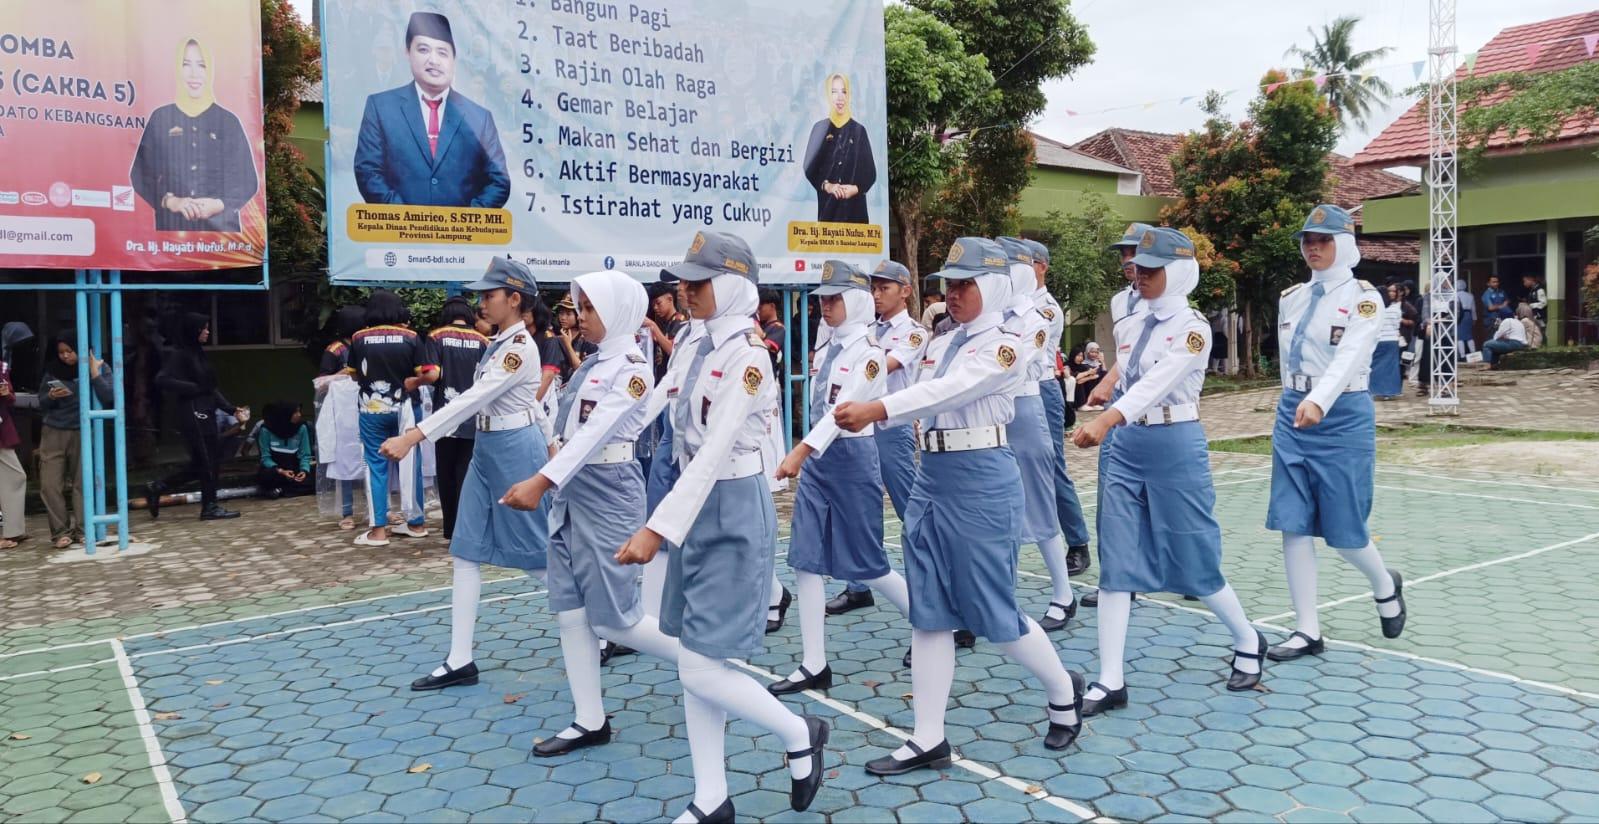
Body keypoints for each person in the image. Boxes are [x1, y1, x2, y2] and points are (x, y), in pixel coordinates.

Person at [834, 237, 1085, 775]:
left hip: (980, 477)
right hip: (935, 474)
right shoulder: (940, 340)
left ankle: (1064, 692)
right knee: (929, 610)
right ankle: (928, 738)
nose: (954, 293)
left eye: (966, 283)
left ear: (993, 286)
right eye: (949, 283)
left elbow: (946, 393)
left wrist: (876, 408)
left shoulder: (1007, 343)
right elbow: (908, 380)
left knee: (992, 610)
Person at [614, 232, 827, 824]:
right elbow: (667, 412)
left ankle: (798, 730)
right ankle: (711, 797)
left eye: (698, 280)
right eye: (685, 279)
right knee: (698, 657)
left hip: (730, 506)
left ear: (731, 285)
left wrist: (656, 529)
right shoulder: (698, 345)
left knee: (702, 665)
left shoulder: (749, 356)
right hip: (695, 504)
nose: (685, 289)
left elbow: (715, 450)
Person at [1069, 227, 1266, 715]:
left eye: (1152, 269)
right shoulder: (1131, 325)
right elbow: (1126, 378)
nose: (1140, 274)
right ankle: (1110, 679)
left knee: (1193, 554)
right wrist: (1108, 410)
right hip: (1128, 445)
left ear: (1177, 273)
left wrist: (1107, 419)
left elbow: (1156, 384)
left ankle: (1247, 638)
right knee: (1116, 558)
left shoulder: (1194, 329)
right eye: (1139, 266)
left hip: (1174, 444)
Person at [495, 269, 682, 754]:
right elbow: (568, 428)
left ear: (619, 311)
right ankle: (588, 718)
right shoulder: (594, 364)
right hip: (572, 487)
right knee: (571, 610)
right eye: (581, 307)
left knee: (617, 620)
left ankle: (703, 666)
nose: (582, 316)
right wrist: (551, 466)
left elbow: (598, 430)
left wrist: (541, 482)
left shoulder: (633, 370)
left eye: (592, 308)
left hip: (608, 488)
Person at [382, 258, 552, 692]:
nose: (481, 303)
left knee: (538, 557)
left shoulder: (517, 348)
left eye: (489, 295)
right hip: (488, 448)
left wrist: (415, 435)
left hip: (514, 451)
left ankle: (600, 627)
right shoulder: (497, 343)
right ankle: (460, 659)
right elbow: (526, 404)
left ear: (514, 300)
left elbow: (476, 397)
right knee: (466, 550)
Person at [1266, 205, 1407, 663]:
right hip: (1293, 411)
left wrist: (1319, 401)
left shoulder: (1365, 298)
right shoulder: (1291, 297)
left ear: (1344, 243)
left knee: (1345, 530)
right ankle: (1307, 628)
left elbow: (1349, 355)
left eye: (1323, 240)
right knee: (1293, 522)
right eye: (1308, 240)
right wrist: (1296, 400)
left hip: (1341, 413)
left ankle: (1385, 584)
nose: (1313, 247)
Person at [767, 261, 912, 695]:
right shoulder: (829, 346)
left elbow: (842, 411)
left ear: (854, 302)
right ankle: (814, 662)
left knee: (868, 562)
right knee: (805, 557)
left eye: (833, 299)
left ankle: (933, 625)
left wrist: (799, 451)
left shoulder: (868, 354)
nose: (825, 307)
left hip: (849, 458)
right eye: (823, 300)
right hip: (819, 462)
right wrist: (807, 454)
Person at [825, 260, 925, 618]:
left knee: (910, 510)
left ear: (905, 291)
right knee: (858, 508)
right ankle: (858, 585)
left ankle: (927, 584)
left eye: (885, 288)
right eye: (874, 289)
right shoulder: (865, 329)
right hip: (858, 431)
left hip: (890, 429)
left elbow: (883, 366)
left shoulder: (913, 332)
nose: (877, 295)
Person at [990, 237, 1080, 632]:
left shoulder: (1038, 315)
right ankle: (995, 594)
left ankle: (1064, 593)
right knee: (997, 505)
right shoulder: (994, 313)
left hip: (1026, 405)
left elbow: (1015, 366)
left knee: (1040, 501)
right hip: (993, 412)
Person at [353, 11, 510, 208]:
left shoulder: (480, 117)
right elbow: (368, 171)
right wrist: (406, 220)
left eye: (442, 52)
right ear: (407, 52)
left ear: (454, 59)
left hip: (461, 236)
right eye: (424, 49)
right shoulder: (380, 107)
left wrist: (467, 221)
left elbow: (499, 181)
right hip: (398, 234)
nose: (433, 60)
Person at [1019, 237, 1093, 583]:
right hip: (1013, 392)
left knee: (1051, 469)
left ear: (1041, 266)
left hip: (1042, 388)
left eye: (1024, 262)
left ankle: (1077, 542)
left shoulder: (1046, 308)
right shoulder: (1011, 301)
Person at [129, 37, 259, 232]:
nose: (194, 74)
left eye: (201, 65)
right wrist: (170, 201)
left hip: (222, 242)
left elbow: (247, 181)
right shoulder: (161, 118)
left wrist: (219, 204)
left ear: (210, 71)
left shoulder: (228, 122)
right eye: (186, 65)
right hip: (171, 236)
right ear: (177, 70)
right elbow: (139, 175)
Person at [349, 291, 438, 546]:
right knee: (411, 466)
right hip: (407, 409)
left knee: (375, 467)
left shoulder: (358, 338)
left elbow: (355, 375)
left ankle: (378, 532)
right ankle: (416, 524)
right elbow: (428, 373)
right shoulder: (411, 337)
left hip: (371, 411)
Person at [147, 313, 244, 522]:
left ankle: (158, 486)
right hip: (192, 412)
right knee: (208, 461)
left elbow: (210, 387)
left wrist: (230, 409)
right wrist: (193, 388)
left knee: (204, 463)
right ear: (194, 330)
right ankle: (209, 506)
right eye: (204, 328)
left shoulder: (198, 354)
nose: (208, 332)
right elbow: (162, 380)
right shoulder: (179, 354)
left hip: (206, 411)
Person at [39, 333, 117, 547]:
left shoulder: (100, 366)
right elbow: (42, 401)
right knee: (49, 484)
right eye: (61, 352)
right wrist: (52, 397)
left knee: (82, 483)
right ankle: (60, 532)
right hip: (54, 430)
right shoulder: (53, 370)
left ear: (81, 348)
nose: (65, 356)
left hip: (84, 430)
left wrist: (94, 373)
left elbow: (109, 396)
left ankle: (83, 529)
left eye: (69, 351)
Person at [426, 297, 489, 540]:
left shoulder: (435, 337)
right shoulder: (483, 341)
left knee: (446, 473)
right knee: (467, 471)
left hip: (445, 417)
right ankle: (468, 529)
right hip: (474, 416)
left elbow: (432, 374)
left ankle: (450, 529)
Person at [802, 73, 876, 224]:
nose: (839, 97)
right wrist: (827, 186)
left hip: (856, 216)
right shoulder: (820, 129)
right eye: (834, 92)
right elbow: (809, 167)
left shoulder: (859, 130)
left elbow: (870, 173)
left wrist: (855, 189)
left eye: (844, 91)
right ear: (828, 95)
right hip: (829, 214)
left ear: (849, 95)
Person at [319, 306, 367, 529]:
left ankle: (378, 509)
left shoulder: (366, 344)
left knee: (372, 460)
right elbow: (321, 382)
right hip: (344, 414)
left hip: (368, 406)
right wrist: (344, 374)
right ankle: (347, 512)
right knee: (345, 461)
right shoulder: (335, 350)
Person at [0, 324, 31, 549]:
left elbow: (9, 396)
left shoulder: (3, 362)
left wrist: (6, 393)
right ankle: (12, 531)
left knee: (14, 476)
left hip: (2, 424)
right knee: (15, 475)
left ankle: (14, 530)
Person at [256, 402, 315, 499]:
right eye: (295, 412)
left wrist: (304, 470)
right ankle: (286, 489)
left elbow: (305, 454)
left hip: (294, 469)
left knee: (315, 478)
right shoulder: (266, 430)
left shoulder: (302, 428)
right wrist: (281, 471)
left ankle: (280, 490)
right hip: (276, 470)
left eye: (299, 412)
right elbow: (265, 457)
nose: (299, 415)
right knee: (265, 476)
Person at [1371, 285, 1404, 399]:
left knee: (1375, 365)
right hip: (1392, 340)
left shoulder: (1374, 308)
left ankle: (1374, 389)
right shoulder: (1395, 308)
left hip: (1378, 339)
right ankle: (1389, 391)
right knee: (1391, 367)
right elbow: (1397, 324)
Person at [1071, 342, 1107, 408]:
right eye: (1092, 352)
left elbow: (1104, 376)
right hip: (1086, 391)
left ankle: (1097, 402)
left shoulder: (1098, 364)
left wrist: (1103, 362)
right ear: (1087, 352)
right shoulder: (1082, 364)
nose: (1094, 354)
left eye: (1096, 352)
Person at [1454, 278, 1478, 358]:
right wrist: (1474, 319)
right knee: (1469, 336)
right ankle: (1474, 354)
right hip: (1468, 315)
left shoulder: (1455, 295)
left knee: (1459, 336)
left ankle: (1462, 355)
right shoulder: (1470, 295)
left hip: (1460, 315)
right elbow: (1473, 309)